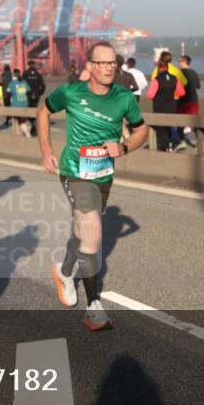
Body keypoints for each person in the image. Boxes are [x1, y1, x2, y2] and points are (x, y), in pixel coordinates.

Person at [39, 41, 149, 331]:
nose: (109, 67)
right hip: (74, 172)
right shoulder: (72, 93)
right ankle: (93, 306)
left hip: (102, 175)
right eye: (102, 63)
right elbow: (43, 111)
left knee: (81, 232)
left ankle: (64, 273)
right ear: (90, 66)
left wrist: (124, 148)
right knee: (93, 236)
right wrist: (46, 150)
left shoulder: (124, 97)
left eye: (113, 63)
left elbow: (142, 130)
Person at [146, 51, 186, 152]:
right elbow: (182, 93)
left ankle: (165, 146)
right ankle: (171, 144)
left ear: (159, 67)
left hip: (159, 106)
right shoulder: (174, 78)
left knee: (161, 128)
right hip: (172, 105)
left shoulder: (157, 79)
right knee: (170, 125)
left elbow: (150, 95)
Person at [173, 55, 201, 152]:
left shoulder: (179, 73)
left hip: (182, 102)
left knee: (180, 124)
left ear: (184, 62)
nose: (178, 63)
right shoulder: (194, 73)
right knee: (194, 123)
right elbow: (198, 86)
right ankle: (199, 143)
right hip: (194, 101)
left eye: (179, 61)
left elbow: (175, 87)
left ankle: (182, 142)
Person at [7, 69, 32, 136]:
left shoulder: (12, 83)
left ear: (13, 74)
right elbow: (29, 91)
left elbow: (8, 94)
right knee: (22, 119)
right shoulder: (24, 82)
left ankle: (27, 134)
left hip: (16, 104)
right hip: (25, 103)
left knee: (20, 121)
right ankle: (26, 130)